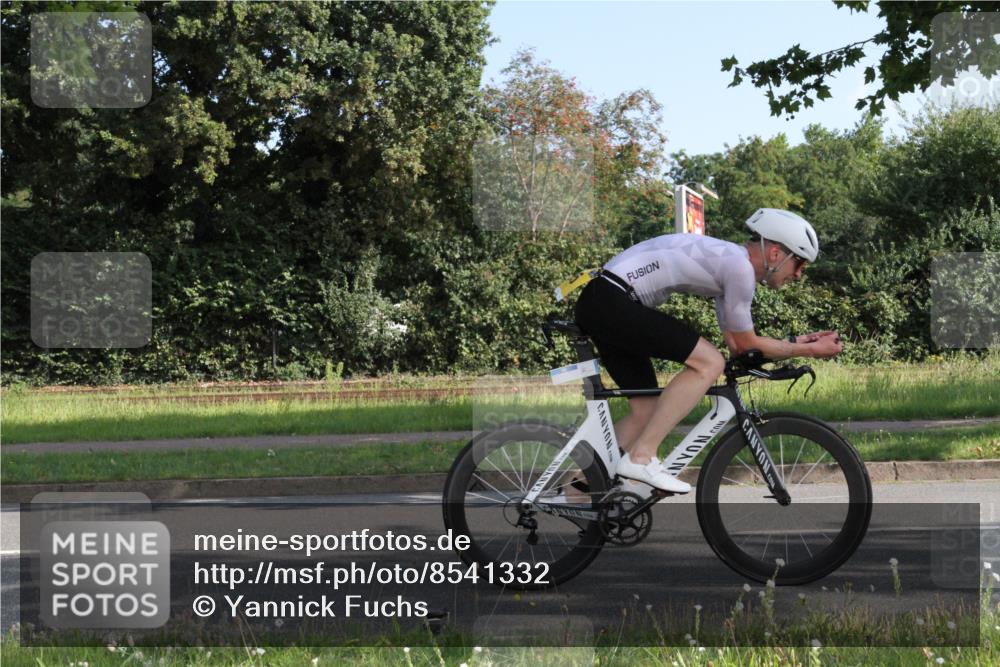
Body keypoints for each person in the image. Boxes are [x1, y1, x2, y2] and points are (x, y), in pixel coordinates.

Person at [573, 208, 843, 494]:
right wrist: (809, 352)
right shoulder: (739, 268)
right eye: (800, 264)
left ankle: (575, 495)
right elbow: (746, 344)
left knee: (646, 411)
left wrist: (799, 343)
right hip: (612, 301)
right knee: (708, 363)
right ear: (776, 254)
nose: (799, 275)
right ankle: (642, 457)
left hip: (605, 302)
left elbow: (739, 346)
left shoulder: (730, 264)